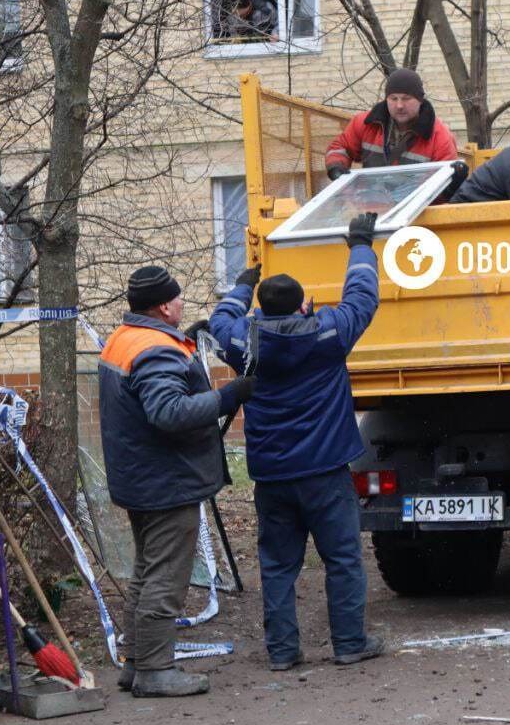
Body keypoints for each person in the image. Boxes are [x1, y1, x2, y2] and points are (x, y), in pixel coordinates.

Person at [209, 213, 384, 672]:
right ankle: (349, 644)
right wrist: (360, 244)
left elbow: (220, 317)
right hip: (326, 473)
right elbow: (363, 297)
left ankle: (283, 653)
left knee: (278, 566)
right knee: (343, 559)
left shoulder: (243, 343)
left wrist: (245, 282)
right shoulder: (327, 334)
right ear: (304, 306)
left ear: (261, 312)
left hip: (272, 476)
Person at [100, 267, 254, 697]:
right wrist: (228, 396)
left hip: (140, 478)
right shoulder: (156, 350)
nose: (183, 302)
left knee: (148, 572)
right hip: (166, 482)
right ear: (164, 305)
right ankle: (154, 670)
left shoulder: (126, 337)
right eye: (179, 298)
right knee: (166, 578)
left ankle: (136, 662)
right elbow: (168, 412)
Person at [325, 68, 459, 178]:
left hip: (419, 208)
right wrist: (336, 168)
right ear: (386, 99)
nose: (399, 105)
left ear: (420, 100)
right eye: (393, 98)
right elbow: (340, 147)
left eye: (406, 98)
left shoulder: (440, 137)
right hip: (371, 204)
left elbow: (444, 185)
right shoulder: (365, 124)